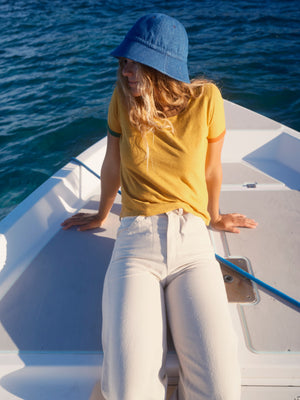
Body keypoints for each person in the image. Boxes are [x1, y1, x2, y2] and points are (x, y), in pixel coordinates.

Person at [62, 13, 257, 400]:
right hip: (135, 243)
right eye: (124, 62)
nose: (126, 70)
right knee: (127, 390)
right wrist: (103, 214)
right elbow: (112, 165)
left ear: (161, 65)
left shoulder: (207, 100)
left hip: (192, 244)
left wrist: (215, 216)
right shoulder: (123, 100)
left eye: (134, 61)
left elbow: (212, 169)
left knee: (222, 390)